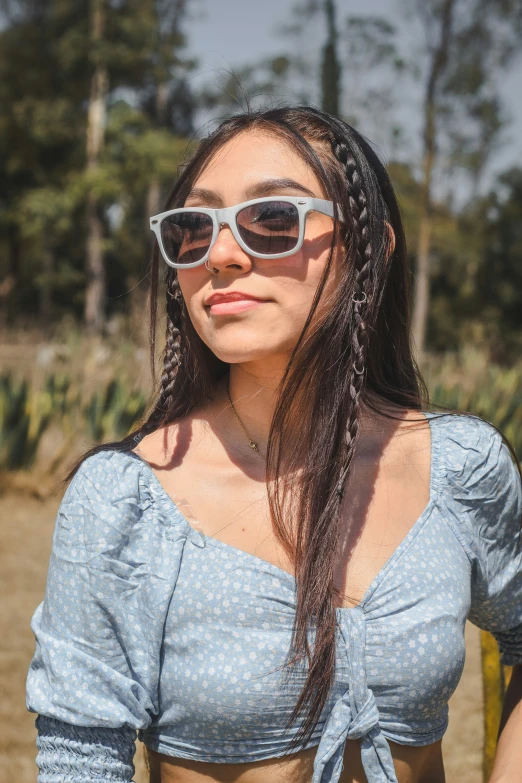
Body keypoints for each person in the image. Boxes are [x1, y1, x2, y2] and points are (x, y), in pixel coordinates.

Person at [26, 105, 522, 783]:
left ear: (369, 247)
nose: (222, 254)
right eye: (193, 227)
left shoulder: (462, 468)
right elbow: (80, 761)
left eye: (273, 220)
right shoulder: (127, 499)